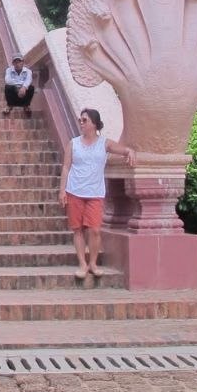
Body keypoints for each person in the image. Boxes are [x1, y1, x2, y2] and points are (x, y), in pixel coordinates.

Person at [58, 109, 135, 281]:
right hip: (74, 191)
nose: (81, 123)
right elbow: (66, 167)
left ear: (94, 123)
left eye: (85, 120)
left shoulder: (104, 143)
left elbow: (121, 149)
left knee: (94, 230)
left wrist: (129, 151)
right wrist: (62, 190)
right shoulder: (73, 143)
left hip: (95, 193)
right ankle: (82, 263)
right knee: (77, 229)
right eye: (80, 120)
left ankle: (93, 263)